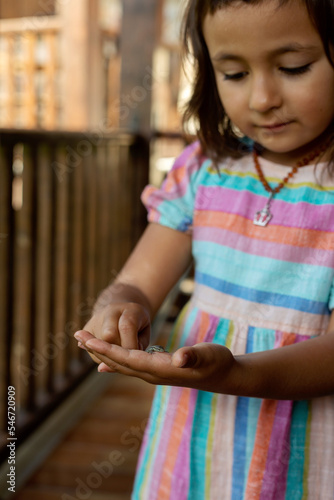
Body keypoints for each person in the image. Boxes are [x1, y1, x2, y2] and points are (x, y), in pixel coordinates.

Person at [74, 0, 334, 498]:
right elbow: (135, 281)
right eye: (233, 72)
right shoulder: (203, 169)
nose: (262, 98)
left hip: (308, 440)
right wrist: (119, 310)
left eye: (294, 67)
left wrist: (237, 372)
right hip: (196, 425)